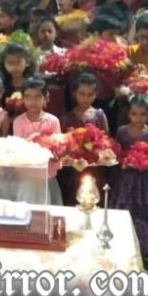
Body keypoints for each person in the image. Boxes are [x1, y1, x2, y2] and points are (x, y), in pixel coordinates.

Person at [111, 94, 148, 258]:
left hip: (143, 179)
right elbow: (117, 152)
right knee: (124, 207)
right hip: (124, 178)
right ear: (128, 113)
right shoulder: (121, 131)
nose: (138, 118)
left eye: (143, 114)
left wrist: (146, 161)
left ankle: (143, 246)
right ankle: (120, 243)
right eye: (134, 114)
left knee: (143, 208)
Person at [57, 72, 109, 205]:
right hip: (74, 169)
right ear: (75, 94)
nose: (86, 98)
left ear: (96, 94)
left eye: (90, 94)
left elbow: (106, 140)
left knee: (94, 199)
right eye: (82, 94)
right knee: (73, 198)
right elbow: (62, 143)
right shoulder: (67, 117)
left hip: (95, 167)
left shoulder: (100, 115)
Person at [12, 77, 63, 205]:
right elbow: (19, 149)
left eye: (37, 97)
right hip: (27, 176)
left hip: (47, 176)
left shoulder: (53, 121)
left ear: (46, 98)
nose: (32, 101)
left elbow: (57, 147)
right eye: (28, 97)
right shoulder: (18, 122)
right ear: (23, 99)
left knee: (47, 207)